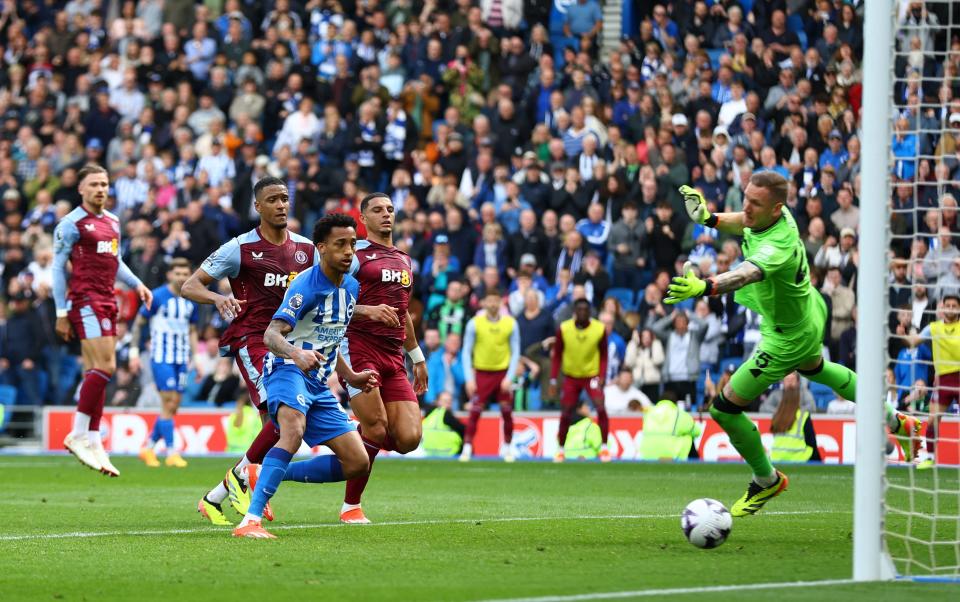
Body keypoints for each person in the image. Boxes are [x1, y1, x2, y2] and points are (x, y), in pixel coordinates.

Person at [666, 174, 918, 516]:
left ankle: (767, 479)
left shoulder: (777, 248)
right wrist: (708, 219)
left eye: (755, 203)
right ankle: (898, 421)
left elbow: (745, 274)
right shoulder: (778, 215)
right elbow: (746, 223)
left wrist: (704, 287)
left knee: (724, 408)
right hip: (807, 311)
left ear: (776, 208)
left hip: (786, 337)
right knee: (818, 369)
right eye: (746, 199)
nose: (747, 208)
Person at [232, 214, 379, 539]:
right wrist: (296, 354)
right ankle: (250, 522)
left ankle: (264, 473)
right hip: (287, 370)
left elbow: (331, 336)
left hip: (318, 382)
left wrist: (351, 377)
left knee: (357, 463)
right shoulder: (305, 286)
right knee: (293, 430)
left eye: (353, 244)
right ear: (321, 247)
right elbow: (272, 334)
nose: (348, 251)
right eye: (340, 244)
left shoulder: (351, 286)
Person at [183, 176, 318, 526]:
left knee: (281, 430)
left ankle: (218, 495)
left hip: (288, 344)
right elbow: (190, 285)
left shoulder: (306, 249)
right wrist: (218, 298)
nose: (281, 205)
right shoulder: (239, 248)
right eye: (273, 200)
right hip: (253, 340)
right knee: (282, 423)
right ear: (257, 206)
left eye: (285, 198)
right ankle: (245, 485)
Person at [53, 163, 153, 477]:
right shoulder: (71, 224)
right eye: (94, 184)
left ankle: (94, 440)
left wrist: (137, 283)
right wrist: (60, 312)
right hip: (84, 300)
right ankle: (78, 432)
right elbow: (57, 269)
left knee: (95, 371)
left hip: (108, 299)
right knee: (106, 366)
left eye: (104, 184)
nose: (100, 189)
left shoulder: (112, 221)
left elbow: (116, 260)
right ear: (81, 189)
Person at [339, 192, 429, 524]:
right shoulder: (356, 256)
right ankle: (351, 507)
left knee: (409, 439)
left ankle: (352, 433)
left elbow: (403, 312)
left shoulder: (404, 260)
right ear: (363, 218)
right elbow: (332, 302)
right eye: (377, 210)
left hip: (393, 356)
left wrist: (417, 356)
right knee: (377, 430)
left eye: (390, 209)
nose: (386, 214)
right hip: (360, 348)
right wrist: (368, 311)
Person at [129, 258, 198, 468]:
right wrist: (133, 352)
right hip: (161, 358)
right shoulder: (157, 296)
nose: (181, 277)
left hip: (181, 360)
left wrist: (196, 358)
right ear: (170, 275)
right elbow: (138, 324)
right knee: (168, 402)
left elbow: (192, 330)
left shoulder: (191, 299)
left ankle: (148, 447)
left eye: (185, 273)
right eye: (177, 273)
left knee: (173, 406)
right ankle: (170, 451)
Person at [459, 288, 521, 462]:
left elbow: (516, 351)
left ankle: (508, 447)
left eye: (496, 300)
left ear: (501, 302)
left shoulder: (511, 323)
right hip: (482, 372)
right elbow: (466, 352)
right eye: (490, 301)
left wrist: (510, 377)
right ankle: (467, 447)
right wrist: (469, 379)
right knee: (475, 411)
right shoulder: (474, 323)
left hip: (502, 373)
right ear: (484, 303)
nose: (493, 304)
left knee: (507, 412)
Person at [549, 298, 610, 463]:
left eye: (586, 310)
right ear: (575, 312)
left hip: (591, 376)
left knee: (600, 406)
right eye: (580, 310)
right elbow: (557, 356)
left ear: (590, 312)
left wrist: (602, 375)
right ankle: (561, 449)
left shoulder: (599, 329)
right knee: (566, 412)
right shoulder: (564, 329)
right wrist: (553, 380)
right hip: (571, 376)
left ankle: (604, 448)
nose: (583, 312)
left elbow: (604, 355)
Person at [907, 293, 960, 469]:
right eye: (948, 305)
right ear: (942, 307)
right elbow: (914, 341)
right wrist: (904, 333)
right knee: (932, 420)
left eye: (954, 306)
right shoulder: (933, 328)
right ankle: (929, 457)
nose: (951, 308)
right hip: (943, 380)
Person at [768, 372, 821, 463]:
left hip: (776, 458)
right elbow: (812, 443)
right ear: (798, 399)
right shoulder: (803, 416)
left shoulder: (776, 416)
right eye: (787, 379)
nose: (790, 383)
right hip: (798, 458)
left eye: (792, 380)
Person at [637, 390, 702, 461]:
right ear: (675, 403)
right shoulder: (680, 414)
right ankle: (695, 463)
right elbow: (697, 432)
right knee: (688, 436)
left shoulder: (649, 413)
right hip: (670, 456)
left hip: (647, 454)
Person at [421, 392, 465, 457]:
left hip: (426, 453)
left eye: (450, 401)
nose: (448, 404)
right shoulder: (446, 414)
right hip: (449, 453)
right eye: (445, 401)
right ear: (437, 402)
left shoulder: (428, 415)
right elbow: (464, 429)